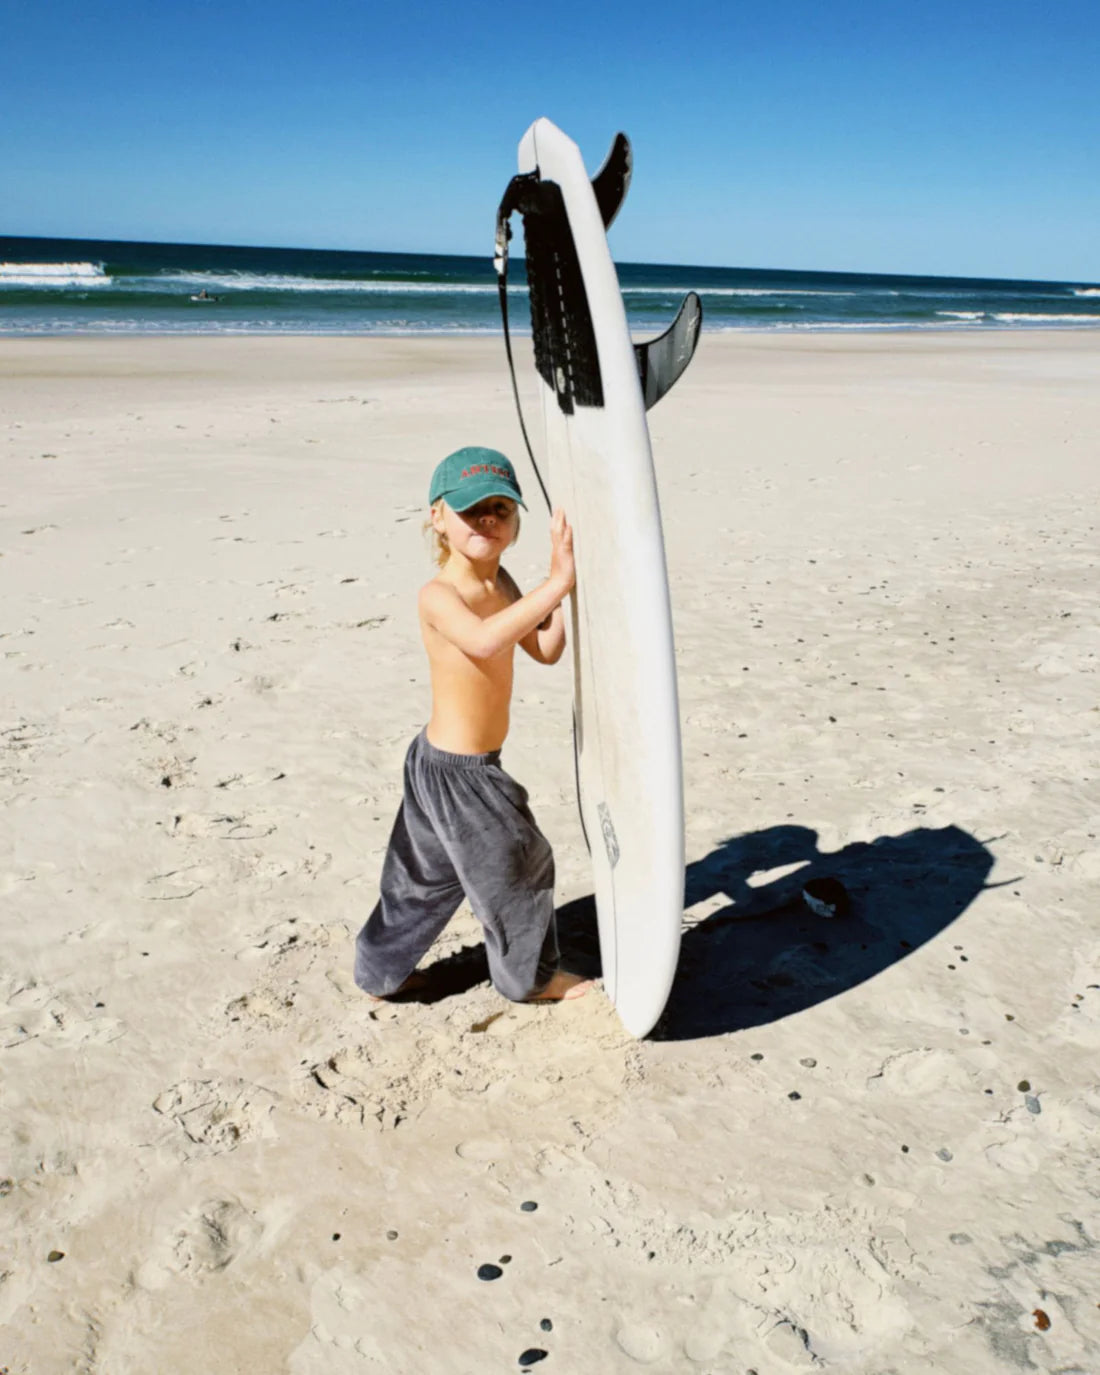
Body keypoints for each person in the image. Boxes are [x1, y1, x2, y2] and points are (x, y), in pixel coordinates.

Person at [353, 446, 591, 1005]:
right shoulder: (439, 595)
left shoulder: (504, 583)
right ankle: (529, 981)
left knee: (425, 877)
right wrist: (555, 585)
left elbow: (546, 649)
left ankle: (377, 972)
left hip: (450, 762)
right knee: (522, 866)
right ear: (437, 517)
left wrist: (567, 589)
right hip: (457, 774)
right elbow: (485, 642)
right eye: (470, 509)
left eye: (500, 509)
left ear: (515, 522)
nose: (487, 518)